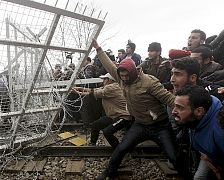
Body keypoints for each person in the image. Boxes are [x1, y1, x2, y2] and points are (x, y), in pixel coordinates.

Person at [91, 40, 183, 179]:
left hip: (160, 126)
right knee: (121, 149)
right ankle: (108, 173)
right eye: (122, 76)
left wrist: (182, 112)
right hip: (140, 124)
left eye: (127, 75)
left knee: (173, 156)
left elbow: (168, 99)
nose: (125, 78)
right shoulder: (121, 78)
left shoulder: (149, 82)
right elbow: (109, 65)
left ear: (134, 72)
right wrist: (98, 48)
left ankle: (188, 175)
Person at [172, 85, 224, 179]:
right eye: (175, 106)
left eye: (180, 107)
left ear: (199, 111)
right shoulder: (197, 116)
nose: (173, 111)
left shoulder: (220, 132)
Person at [72, 73, 132, 148]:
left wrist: (77, 92)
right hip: (114, 116)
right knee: (95, 125)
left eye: (104, 79)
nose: (103, 81)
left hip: (123, 117)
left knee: (107, 132)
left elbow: (91, 94)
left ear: (110, 80)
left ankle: (119, 150)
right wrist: (79, 88)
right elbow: (92, 90)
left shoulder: (111, 88)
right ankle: (92, 144)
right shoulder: (111, 87)